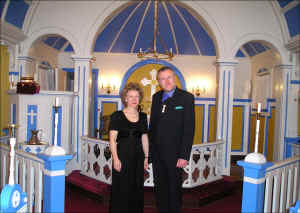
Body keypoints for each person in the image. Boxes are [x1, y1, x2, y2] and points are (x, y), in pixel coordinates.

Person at [149, 66, 195, 213]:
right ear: (159, 82)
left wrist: (184, 155)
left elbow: (189, 128)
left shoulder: (186, 98)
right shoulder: (156, 98)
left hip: (176, 155)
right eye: (162, 79)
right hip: (157, 154)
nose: (166, 81)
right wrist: (149, 153)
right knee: (160, 187)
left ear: (174, 78)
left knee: (174, 189)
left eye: (169, 77)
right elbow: (153, 127)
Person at [109, 82, 149, 213]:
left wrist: (146, 157)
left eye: (136, 96)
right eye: (131, 96)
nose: (134, 99)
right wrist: (115, 158)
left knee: (137, 188)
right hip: (122, 157)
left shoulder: (143, 117)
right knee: (121, 188)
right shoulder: (117, 115)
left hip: (138, 157)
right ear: (125, 98)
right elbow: (112, 139)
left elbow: (144, 138)